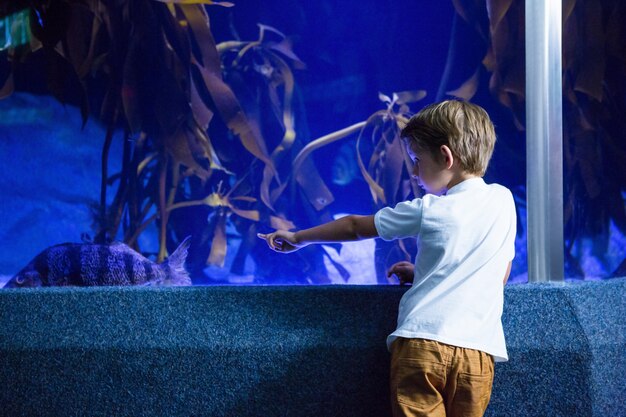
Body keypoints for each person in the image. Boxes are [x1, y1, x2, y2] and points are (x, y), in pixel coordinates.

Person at [258, 99, 516, 417]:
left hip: (422, 345)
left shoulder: (429, 209)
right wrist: (426, 272)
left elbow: (355, 227)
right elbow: (497, 274)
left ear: (446, 157)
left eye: (417, 160)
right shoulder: (503, 201)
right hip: (479, 351)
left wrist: (299, 238)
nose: (415, 172)